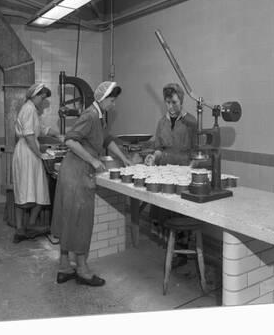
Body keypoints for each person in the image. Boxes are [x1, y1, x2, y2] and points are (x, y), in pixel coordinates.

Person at [51, 81, 132, 286]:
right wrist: (94, 161)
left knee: (69, 219)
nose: (113, 105)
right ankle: (82, 270)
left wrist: (124, 158)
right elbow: (70, 140)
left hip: (73, 173)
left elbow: (106, 140)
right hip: (77, 173)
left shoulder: (99, 118)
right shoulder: (89, 115)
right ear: (103, 98)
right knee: (80, 222)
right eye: (112, 100)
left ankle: (64, 267)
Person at [144, 83, 197, 246]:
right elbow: (159, 148)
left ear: (181, 101)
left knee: (180, 213)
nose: (171, 106)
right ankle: (168, 246)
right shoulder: (162, 123)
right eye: (168, 103)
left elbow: (197, 151)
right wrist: (153, 157)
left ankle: (182, 248)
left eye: (174, 102)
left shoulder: (191, 122)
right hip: (165, 171)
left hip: (183, 172)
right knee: (163, 210)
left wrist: (190, 170)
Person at [12, 83, 61, 243]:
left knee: (37, 189)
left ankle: (30, 226)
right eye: (42, 97)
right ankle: (21, 229)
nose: (42, 100)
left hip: (30, 152)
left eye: (44, 98)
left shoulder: (32, 109)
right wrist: (39, 153)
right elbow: (29, 135)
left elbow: (42, 128)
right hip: (27, 152)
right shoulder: (29, 109)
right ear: (34, 95)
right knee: (25, 190)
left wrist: (59, 135)